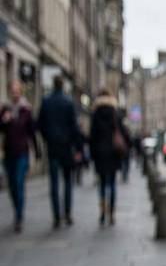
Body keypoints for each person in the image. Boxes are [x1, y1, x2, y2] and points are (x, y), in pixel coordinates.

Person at [38, 76, 81, 228]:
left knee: (54, 183)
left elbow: (40, 124)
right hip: (66, 148)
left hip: (53, 147)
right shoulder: (68, 102)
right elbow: (75, 127)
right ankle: (67, 213)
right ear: (63, 86)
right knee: (68, 181)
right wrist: (77, 147)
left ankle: (56, 216)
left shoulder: (46, 102)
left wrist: (48, 137)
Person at [0, 81, 40, 232]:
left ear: (21, 93)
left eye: (17, 91)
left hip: (22, 151)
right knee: (11, 185)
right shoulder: (5, 109)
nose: (15, 93)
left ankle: (19, 216)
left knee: (19, 182)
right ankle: (17, 208)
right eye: (13, 91)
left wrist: (36, 151)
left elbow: (32, 132)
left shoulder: (26, 110)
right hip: (8, 152)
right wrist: (4, 121)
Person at [89, 88, 124, 226]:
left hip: (100, 153)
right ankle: (112, 213)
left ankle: (103, 211)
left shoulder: (96, 113)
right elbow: (121, 132)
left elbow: (92, 136)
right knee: (113, 182)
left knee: (102, 183)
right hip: (114, 153)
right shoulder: (115, 113)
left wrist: (92, 154)